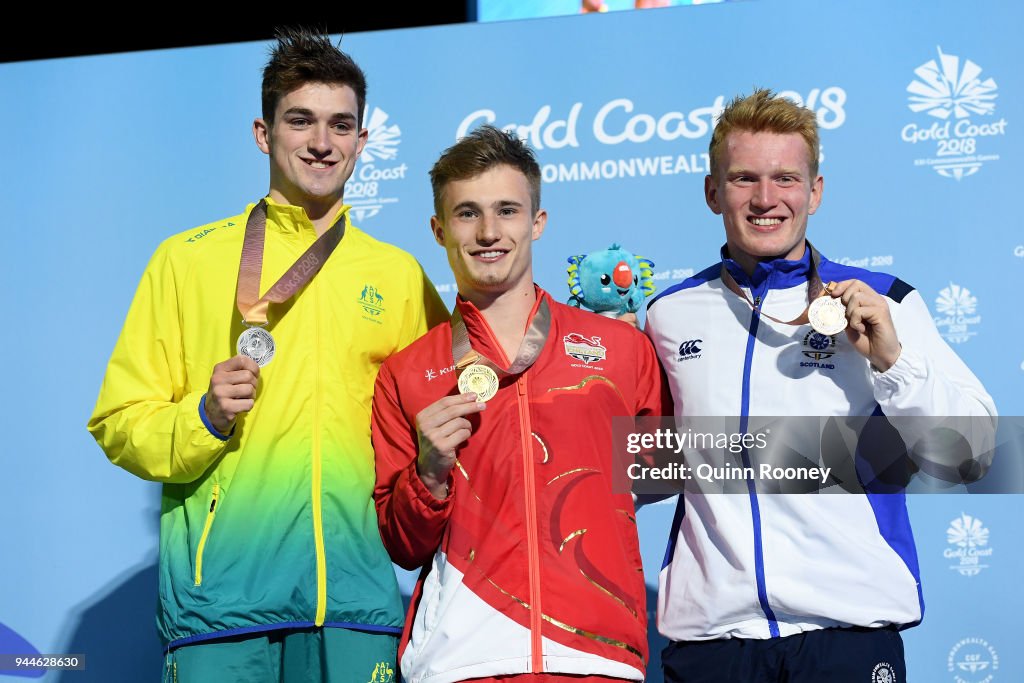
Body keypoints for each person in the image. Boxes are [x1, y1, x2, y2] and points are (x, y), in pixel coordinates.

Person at [87, 27, 447, 683]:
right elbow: (119, 421)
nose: (321, 142)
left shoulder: (398, 277)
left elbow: (452, 418)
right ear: (263, 132)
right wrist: (203, 417)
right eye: (301, 120)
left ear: (362, 141)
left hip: (355, 604)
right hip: (222, 605)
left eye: (341, 125)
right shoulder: (186, 261)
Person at [644, 88, 997, 682]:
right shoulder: (669, 315)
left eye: (785, 178)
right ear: (712, 193)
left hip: (846, 636)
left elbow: (972, 455)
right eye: (743, 179)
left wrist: (892, 360)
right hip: (713, 646)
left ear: (816, 191)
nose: (765, 199)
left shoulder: (885, 300)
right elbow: (646, 468)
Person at [372, 125, 671, 682]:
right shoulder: (408, 372)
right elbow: (402, 543)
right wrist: (428, 473)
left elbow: (664, 471)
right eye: (467, 213)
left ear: (538, 222)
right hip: (461, 661)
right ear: (438, 230)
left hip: (595, 654)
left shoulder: (621, 349)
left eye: (507, 210)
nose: (489, 231)